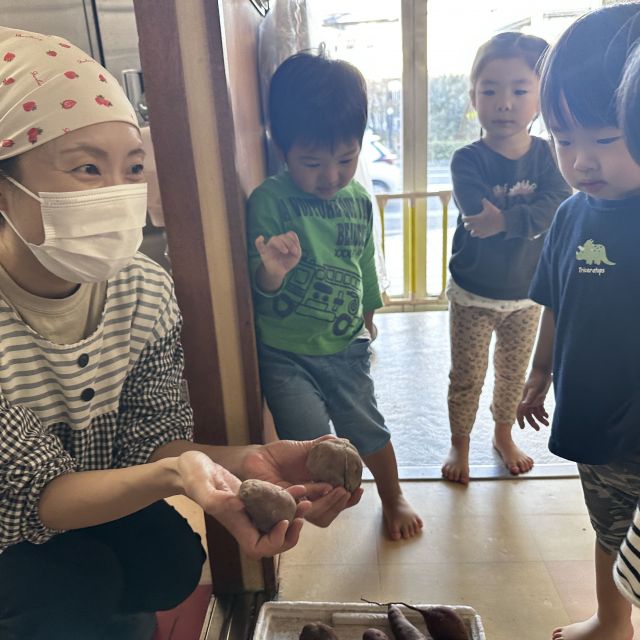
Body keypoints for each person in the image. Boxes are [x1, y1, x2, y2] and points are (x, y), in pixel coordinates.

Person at [0, 26, 359, 640]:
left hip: (89, 502)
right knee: (77, 592)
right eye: (88, 168)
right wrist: (177, 476)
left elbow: (153, 442)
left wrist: (247, 460)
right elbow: (39, 495)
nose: (118, 190)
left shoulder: (142, 288)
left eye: (133, 166)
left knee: (169, 562)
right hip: (13, 524)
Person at [246, 52, 422, 541]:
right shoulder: (267, 202)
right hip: (285, 353)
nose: (331, 176)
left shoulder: (359, 201)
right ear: (282, 148)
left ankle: (393, 495)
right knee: (309, 439)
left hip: (345, 345)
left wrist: (369, 317)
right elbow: (259, 288)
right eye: (313, 163)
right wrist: (273, 270)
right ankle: (317, 502)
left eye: (346, 159)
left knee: (366, 426)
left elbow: (365, 263)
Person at [516, 5, 640, 639]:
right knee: (607, 529)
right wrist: (539, 371)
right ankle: (611, 623)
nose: (581, 161)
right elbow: (556, 301)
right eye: (564, 141)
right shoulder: (570, 216)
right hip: (590, 414)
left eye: (604, 139)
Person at [442, 32, 571, 484]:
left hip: (526, 294)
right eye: (490, 90)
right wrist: (526, 218)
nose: (504, 102)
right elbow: (477, 214)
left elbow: (559, 204)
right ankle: (460, 444)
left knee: (512, 374)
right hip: (473, 292)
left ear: (540, 99)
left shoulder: (551, 155)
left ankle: (502, 435)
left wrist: (508, 221)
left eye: (519, 90)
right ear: (473, 96)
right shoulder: (466, 159)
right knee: (467, 376)